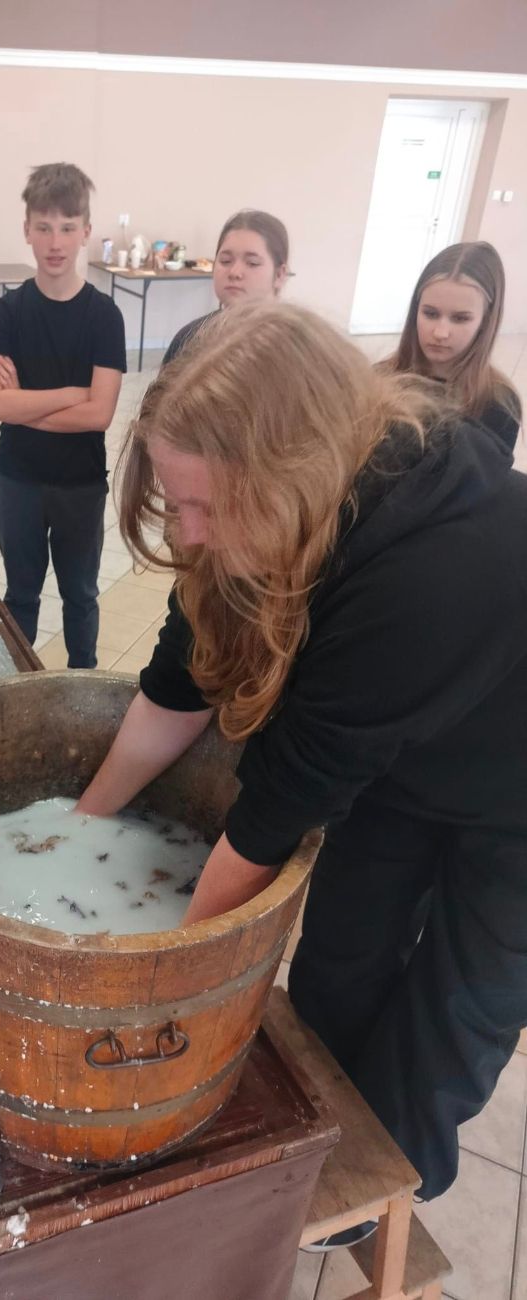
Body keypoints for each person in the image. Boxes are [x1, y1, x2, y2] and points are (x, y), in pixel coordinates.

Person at [76, 301, 527, 1243]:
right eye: (175, 503)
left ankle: (378, 1188)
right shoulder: (261, 515)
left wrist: (157, 979)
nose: (188, 536)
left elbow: (270, 820)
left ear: (289, 472)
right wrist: (80, 827)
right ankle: (325, 1123)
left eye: (205, 508)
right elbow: (176, 685)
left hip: (512, 773)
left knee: (462, 997)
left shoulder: (421, 571)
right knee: (341, 955)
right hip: (406, 747)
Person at [0, 162, 126, 668]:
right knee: (20, 595)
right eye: (43, 227)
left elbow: (100, 414)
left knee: (81, 595)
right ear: (27, 232)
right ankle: (19, 687)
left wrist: (25, 406)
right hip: (18, 480)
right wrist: (70, 393)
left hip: (81, 485)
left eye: (67, 227)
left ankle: (84, 684)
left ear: (85, 231)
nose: (55, 241)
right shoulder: (6, 314)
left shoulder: (104, 317)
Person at [383, 240, 521, 451]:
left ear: (486, 320)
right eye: (430, 314)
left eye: (460, 319)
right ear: (415, 311)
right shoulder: (380, 379)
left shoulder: (499, 404)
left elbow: (488, 481)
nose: (440, 333)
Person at [163, 209, 289, 365]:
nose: (235, 272)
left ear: (279, 275)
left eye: (252, 263)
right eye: (225, 261)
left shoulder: (299, 349)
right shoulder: (189, 338)